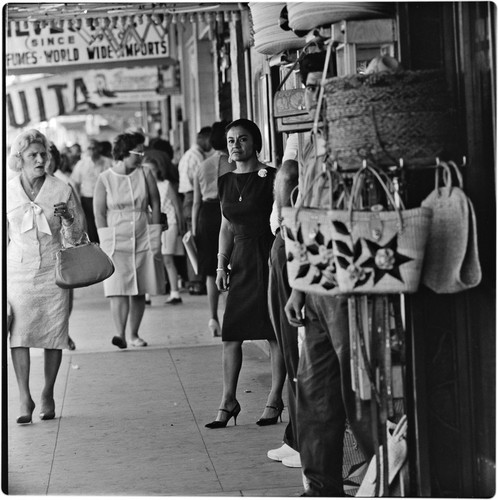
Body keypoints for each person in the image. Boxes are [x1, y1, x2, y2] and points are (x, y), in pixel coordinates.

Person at [278, 52, 374, 496]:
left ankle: (384, 474)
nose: (313, 94)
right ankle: (321, 487)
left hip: (351, 276)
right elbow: (305, 217)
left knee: (361, 388)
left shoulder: (358, 131)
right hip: (315, 279)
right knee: (314, 392)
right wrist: (298, 285)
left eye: (319, 85)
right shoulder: (311, 141)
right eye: (308, 86)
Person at [205, 119, 286, 429]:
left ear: (255, 143)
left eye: (242, 140)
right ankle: (228, 400)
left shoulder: (272, 178)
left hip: (267, 255)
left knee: (273, 331)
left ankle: (274, 399)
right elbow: (226, 226)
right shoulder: (224, 182)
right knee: (232, 334)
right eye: (230, 141)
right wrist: (220, 265)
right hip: (239, 259)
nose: (235, 146)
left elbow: (281, 221)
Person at [7, 129, 85, 424]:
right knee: (19, 336)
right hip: (17, 272)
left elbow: (77, 237)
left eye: (43, 154)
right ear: (20, 159)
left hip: (53, 272)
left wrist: (67, 218)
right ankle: (24, 397)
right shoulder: (8, 190)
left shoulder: (61, 189)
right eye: (33, 155)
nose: (40, 159)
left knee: (55, 335)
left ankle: (47, 393)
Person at [93, 132, 165, 349]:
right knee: (117, 287)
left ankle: (134, 334)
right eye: (137, 152)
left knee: (140, 286)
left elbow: (155, 202)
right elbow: (99, 213)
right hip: (116, 235)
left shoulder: (145, 174)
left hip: (142, 231)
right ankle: (120, 334)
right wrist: (104, 238)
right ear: (124, 153)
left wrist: (154, 231)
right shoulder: (105, 178)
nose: (141, 156)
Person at [266, 133, 302, 468]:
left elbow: (289, 172)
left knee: (298, 352)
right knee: (294, 350)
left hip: (293, 240)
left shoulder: (302, 132)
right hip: (289, 239)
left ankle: (302, 439)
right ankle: (297, 436)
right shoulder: (301, 130)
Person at [192, 121, 233, 337]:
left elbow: (196, 202)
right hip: (227, 212)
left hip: (206, 216)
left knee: (210, 270)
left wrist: (193, 228)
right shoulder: (234, 163)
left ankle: (212, 317)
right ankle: (228, 316)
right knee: (229, 264)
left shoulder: (202, 165)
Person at [46, 142, 88, 352]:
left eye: (49, 158)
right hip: (42, 252)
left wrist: (81, 243)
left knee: (65, 296)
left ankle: (63, 330)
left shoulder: (64, 184)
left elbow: (79, 215)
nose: (44, 162)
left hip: (66, 249)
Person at [145, 156, 185, 305]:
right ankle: (147, 294)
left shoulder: (166, 184)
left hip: (169, 225)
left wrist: (181, 225)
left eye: (152, 170)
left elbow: (177, 205)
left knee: (168, 259)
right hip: (150, 226)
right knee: (149, 260)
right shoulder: (143, 187)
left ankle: (175, 292)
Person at [178, 126, 212, 295]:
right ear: (203, 138)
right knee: (195, 240)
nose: (211, 144)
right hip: (193, 198)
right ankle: (197, 281)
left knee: (193, 239)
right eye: (209, 140)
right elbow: (201, 181)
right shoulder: (197, 158)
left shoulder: (188, 155)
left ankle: (196, 280)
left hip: (188, 198)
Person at [71, 139, 112, 243]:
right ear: (86, 150)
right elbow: (75, 182)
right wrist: (78, 200)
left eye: (94, 148)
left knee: (104, 222)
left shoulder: (107, 162)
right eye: (90, 148)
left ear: (99, 148)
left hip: (105, 198)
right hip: (87, 199)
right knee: (90, 225)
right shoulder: (82, 164)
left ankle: (106, 243)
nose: (92, 151)